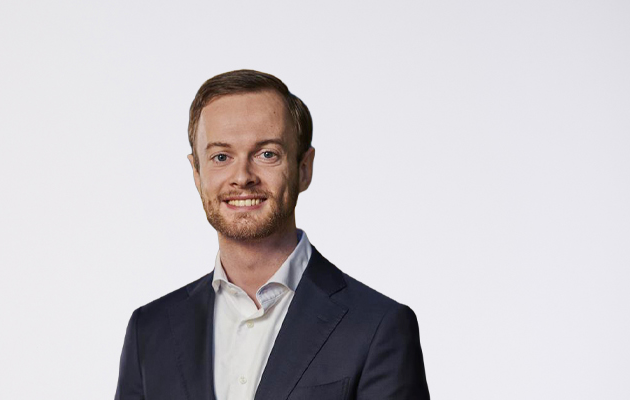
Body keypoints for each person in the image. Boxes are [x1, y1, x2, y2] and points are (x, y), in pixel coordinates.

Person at [114, 70, 429, 400]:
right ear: (196, 172)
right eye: (221, 157)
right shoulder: (149, 331)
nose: (242, 177)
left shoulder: (378, 327)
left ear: (304, 168)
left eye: (267, 154)